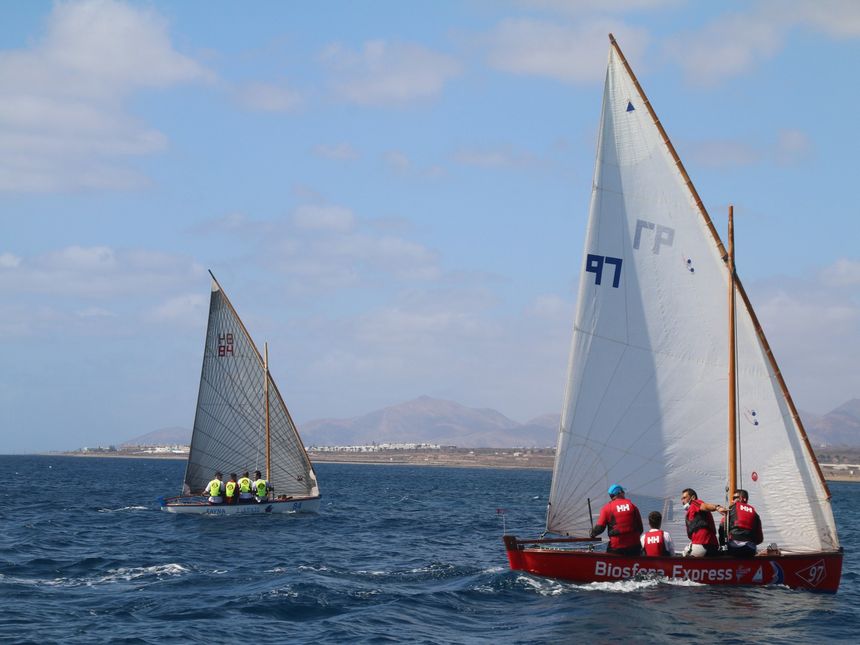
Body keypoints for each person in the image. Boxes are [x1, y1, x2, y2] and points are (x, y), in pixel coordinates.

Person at [589, 484, 644, 555]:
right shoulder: (633, 506)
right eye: (623, 491)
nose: (624, 493)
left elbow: (600, 528)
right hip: (634, 548)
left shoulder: (606, 508)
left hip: (616, 548)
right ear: (619, 493)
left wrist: (592, 533)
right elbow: (640, 528)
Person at [721, 489, 763, 558]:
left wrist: (722, 544)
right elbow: (760, 539)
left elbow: (722, 527)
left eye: (734, 498)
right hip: (750, 549)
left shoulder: (731, 508)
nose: (732, 501)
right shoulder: (755, 514)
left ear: (742, 498)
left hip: (734, 548)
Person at [681, 488, 720, 557]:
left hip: (702, 544)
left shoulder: (695, 503)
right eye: (682, 499)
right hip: (713, 546)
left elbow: (705, 506)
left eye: (684, 498)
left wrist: (717, 507)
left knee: (684, 556)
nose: (682, 501)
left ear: (693, 497)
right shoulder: (691, 512)